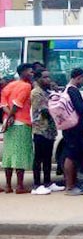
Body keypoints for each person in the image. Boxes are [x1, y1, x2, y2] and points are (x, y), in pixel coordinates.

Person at [0, 64, 35, 194]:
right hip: (21, 123)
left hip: (8, 124)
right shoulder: (26, 86)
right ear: (24, 72)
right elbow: (17, 104)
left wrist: (7, 119)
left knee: (8, 155)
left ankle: (8, 186)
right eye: (30, 72)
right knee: (20, 154)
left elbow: (3, 103)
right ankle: (20, 186)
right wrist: (11, 116)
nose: (32, 74)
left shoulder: (9, 86)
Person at [29, 69, 63, 195]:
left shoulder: (47, 92)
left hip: (49, 129)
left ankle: (48, 182)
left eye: (49, 77)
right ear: (38, 79)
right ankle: (37, 185)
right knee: (39, 158)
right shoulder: (36, 93)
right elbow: (43, 110)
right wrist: (58, 110)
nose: (48, 79)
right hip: (40, 129)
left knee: (48, 157)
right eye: (45, 77)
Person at [60, 68, 83, 196]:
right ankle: (69, 186)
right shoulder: (72, 90)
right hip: (73, 128)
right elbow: (81, 109)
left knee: (74, 155)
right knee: (70, 156)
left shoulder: (68, 90)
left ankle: (74, 183)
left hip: (71, 127)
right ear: (78, 77)